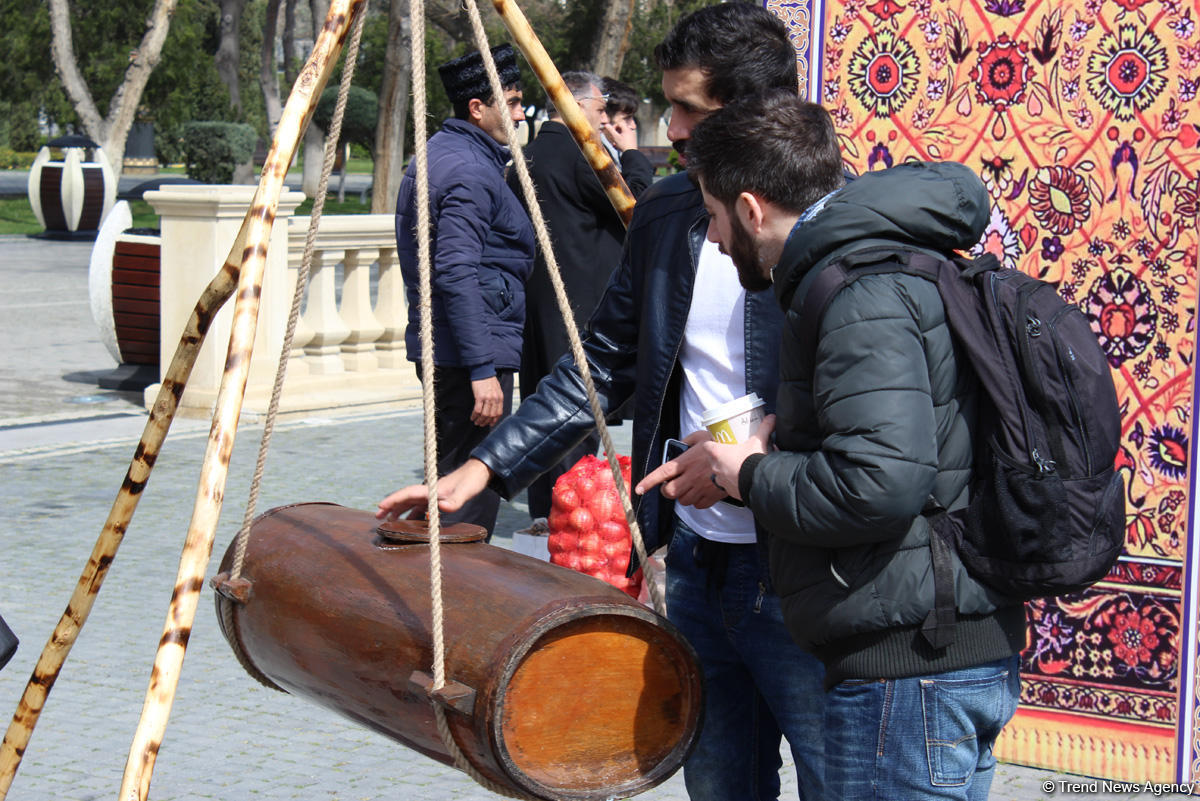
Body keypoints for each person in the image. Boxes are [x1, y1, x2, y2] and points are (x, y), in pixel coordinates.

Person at [380, 6, 825, 800]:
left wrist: (748, 460)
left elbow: (857, 388)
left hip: (807, 573)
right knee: (720, 781)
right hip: (698, 564)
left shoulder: (834, 223)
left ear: (753, 112)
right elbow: (599, 367)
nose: (670, 127)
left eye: (689, 108)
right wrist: (483, 469)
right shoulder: (664, 215)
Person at [667, 91, 1026, 800]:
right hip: (948, 643)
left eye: (711, 217)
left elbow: (878, 483)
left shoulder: (859, 286)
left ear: (748, 208)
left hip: (910, 666)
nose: (710, 239)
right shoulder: (886, 256)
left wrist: (750, 472)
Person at [393, 44, 534, 539]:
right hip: (470, 356)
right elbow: (455, 271)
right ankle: (456, 605)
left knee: (452, 482)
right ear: (478, 108)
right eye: (512, 102)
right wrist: (481, 371)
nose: (520, 114)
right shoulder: (470, 171)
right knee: (466, 498)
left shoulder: (443, 154)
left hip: (457, 347)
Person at [508, 71, 653, 525]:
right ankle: (573, 516)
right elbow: (640, 208)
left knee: (542, 406)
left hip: (539, 302)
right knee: (575, 413)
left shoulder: (526, 156)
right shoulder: (578, 156)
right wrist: (631, 153)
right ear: (574, 104)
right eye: (598, 108)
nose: (602, 118)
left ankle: (543, 513)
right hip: (583, 305)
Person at [599, 76, 642, 167]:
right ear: (603, 118)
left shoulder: (615, 152)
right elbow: (637, 181)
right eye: (626, 118)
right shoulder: (597, 156)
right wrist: (631, 153)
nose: (633, 126)